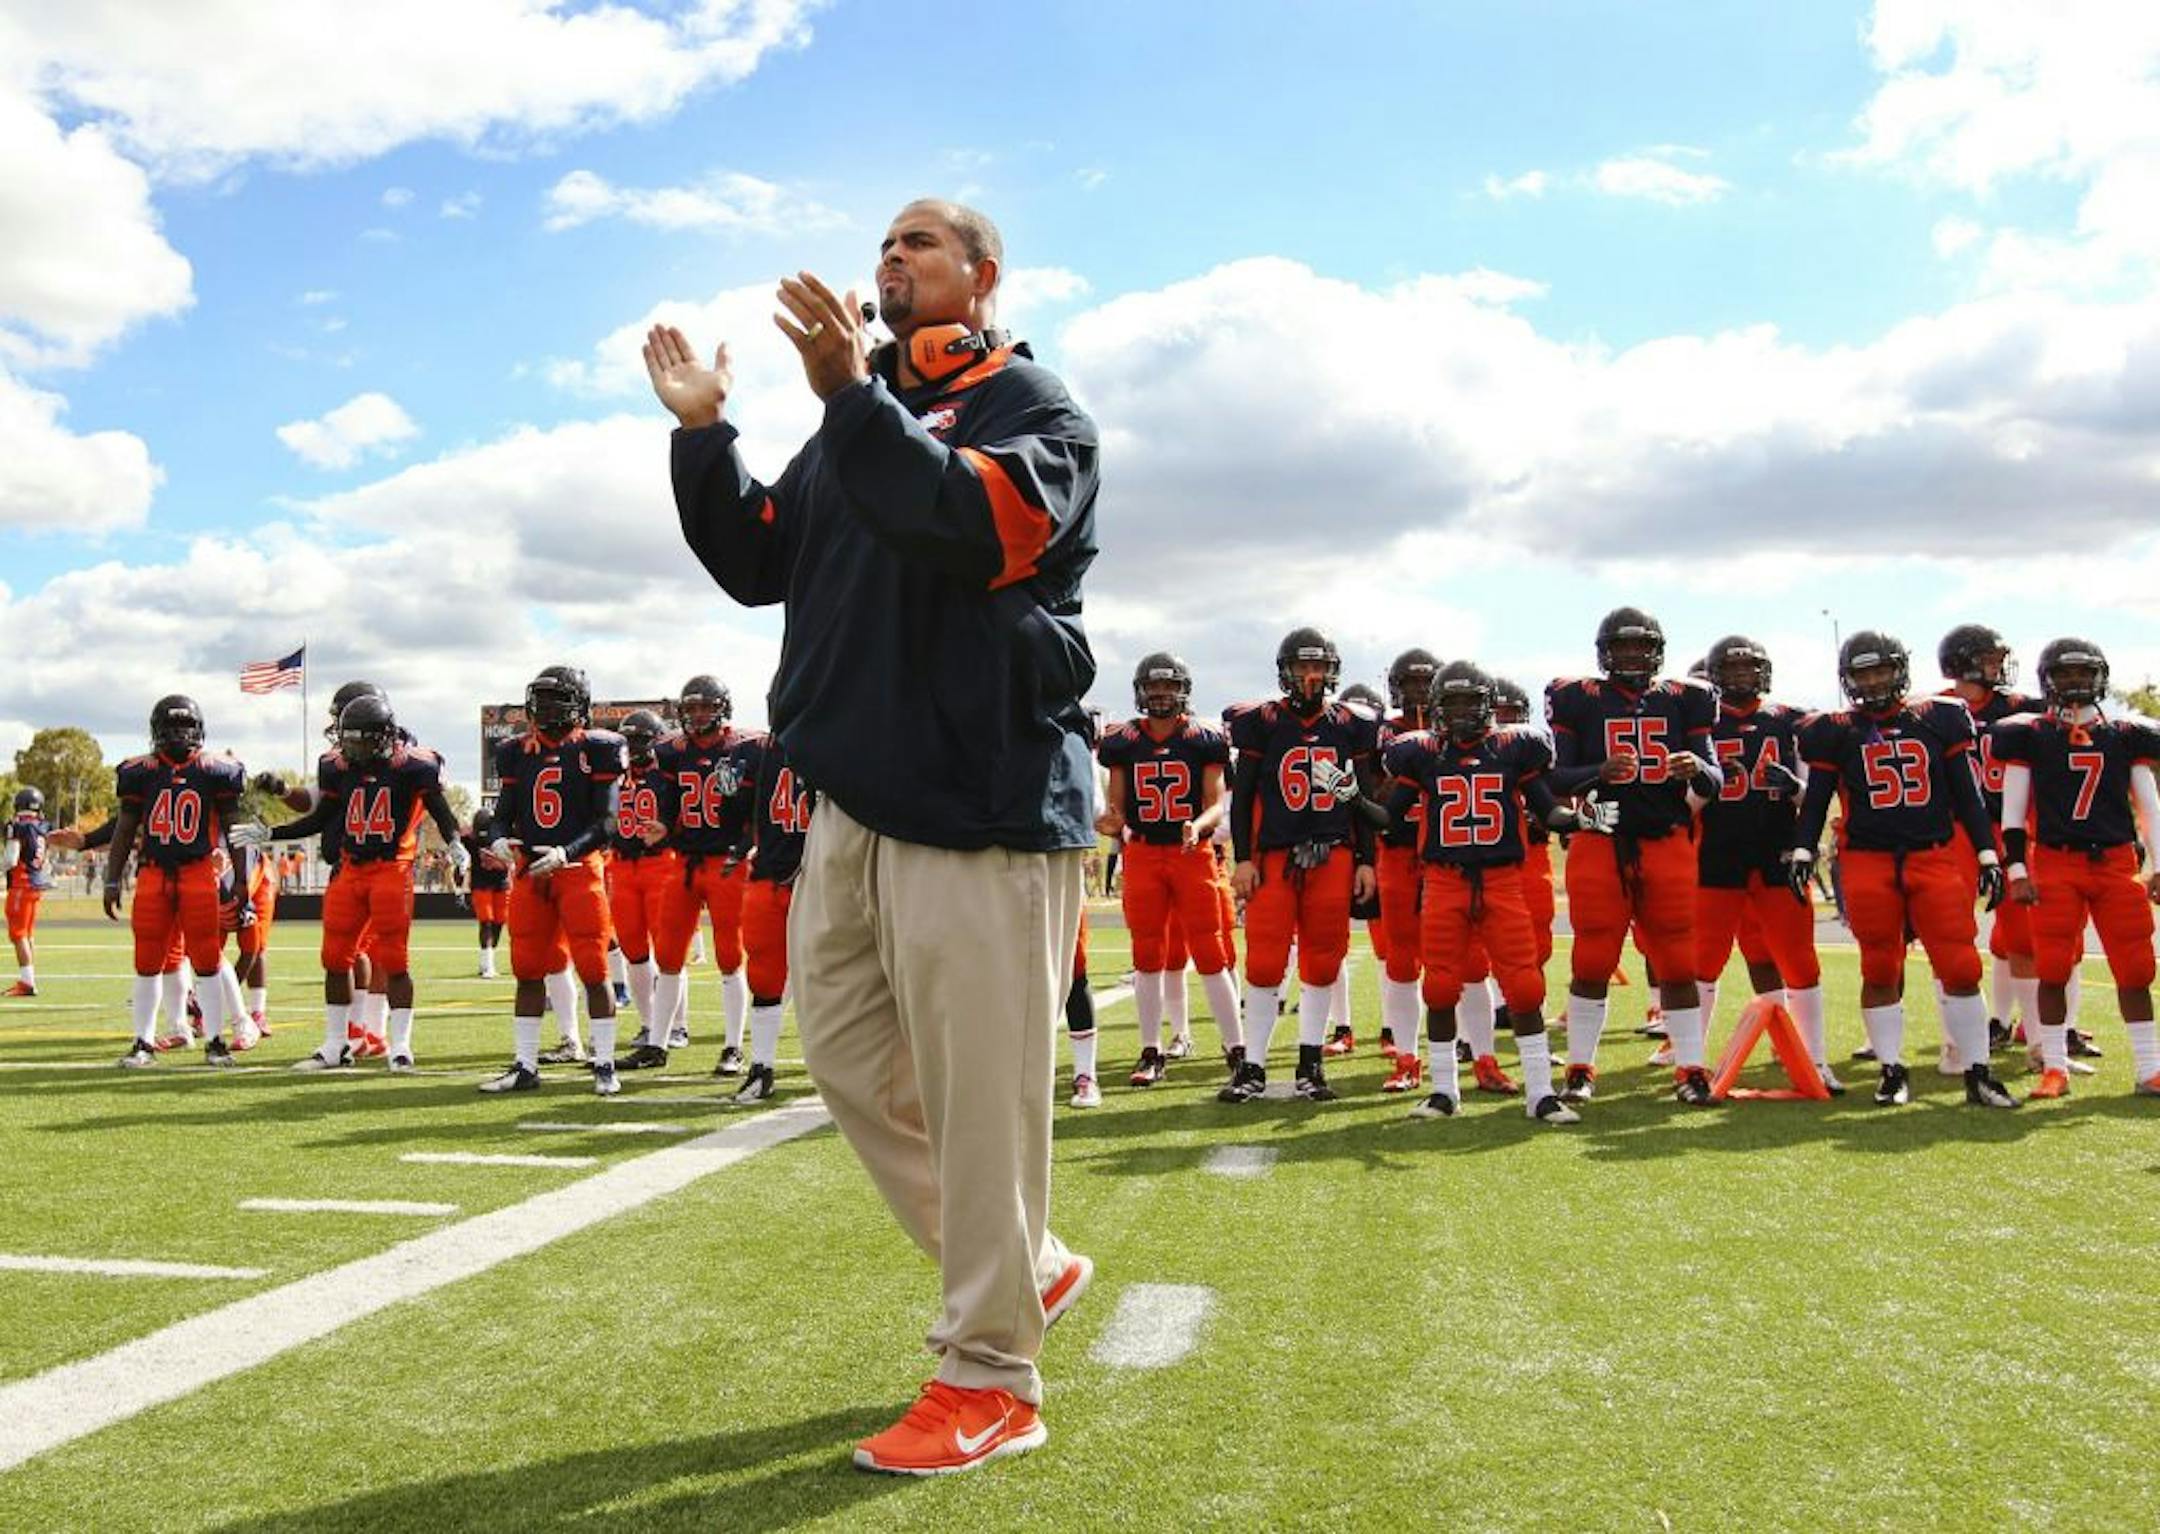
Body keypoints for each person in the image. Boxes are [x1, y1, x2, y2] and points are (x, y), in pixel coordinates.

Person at [649, 197, 1099, 1475]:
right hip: (849, 789)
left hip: (981, 796)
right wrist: (706, 434)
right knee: (847, 1062)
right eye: (885, 245)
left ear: (983, 275)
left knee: (983, 1103)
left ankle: (993, 1378)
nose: (891, 258)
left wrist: (853, 396)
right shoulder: (857, 418)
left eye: (920, 242)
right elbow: (760, 559)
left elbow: (970, 526)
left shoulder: (1035, 408)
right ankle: (1033, 1266)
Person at [1790, 632, 2018, 1108]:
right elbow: (1816, 800)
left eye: (1881, 671)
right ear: (1848, 680)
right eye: (1863, 674)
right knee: (1879, 965)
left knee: (1959, 963)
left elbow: (1968, 796)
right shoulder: (1835, 729)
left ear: (1900, 671)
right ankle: (1892, 1070)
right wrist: (1803, 850)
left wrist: (1987, 852)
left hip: (1931, 856)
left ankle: (1979, 1071)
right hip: (1868, 860)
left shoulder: (1940, 718)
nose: (1873, 682)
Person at [1385, 662, 1578, 1124]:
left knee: (1525, 986)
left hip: (1501, 878)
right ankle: (1444, 1091)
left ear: (1488, 704)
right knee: (1440, 986)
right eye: (1451, 702)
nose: (1461, 712)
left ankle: (1540, 1093)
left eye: (1470, 701)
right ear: (1436, 707)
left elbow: (1547, 810)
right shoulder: (1422, 753)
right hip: (1445, 879)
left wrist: (1581, 821)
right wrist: (1350, 797)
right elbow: (1390, 817)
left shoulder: (1515, 748)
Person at [1545, 608, 1722, 1104]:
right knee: (1593, 957)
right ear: (1604, 653)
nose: (1631, 656)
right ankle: (1580, 1068)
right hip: (1599, 840)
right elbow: (1555, 779)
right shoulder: (1577, 699)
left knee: (1679, 960)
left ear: (1656, 651)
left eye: (1640, 647)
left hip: (1666, 840)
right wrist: (1598, 771)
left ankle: (1690, 1067)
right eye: (1621, 648)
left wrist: (1697, 769)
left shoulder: (1687, 699)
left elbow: (1716, 778)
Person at [240, 694, 465, 1073]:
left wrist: (456, 842)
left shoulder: (414, 766)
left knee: (394, 960)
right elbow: (319, 817)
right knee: (334, 957)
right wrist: (271, 833)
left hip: (391, 869)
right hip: (350, 869)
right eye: (348, 739)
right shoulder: (338, 766)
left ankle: (401, 1045)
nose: (350, 747)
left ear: (383, 737)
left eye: (360, 740)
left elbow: (440, 811)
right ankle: (335, 1044)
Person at [1221, 627, 1384, 1104]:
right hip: (1276, 855)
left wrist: (1366, 859)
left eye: (1319, 667)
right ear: (1286, 671)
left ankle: (1310, 1063)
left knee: (1322, 959)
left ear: (1332, 672)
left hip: (1331, 854)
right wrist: (1244, 859)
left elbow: (1363, 798)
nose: (1311, 676)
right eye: (1302, 667)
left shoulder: (1352, 724)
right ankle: (1252, 1064)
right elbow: (1244, 794)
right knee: (1267, 960)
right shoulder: (1262, 722)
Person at [1991, 639, 2160, 1098]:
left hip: (2115, 861)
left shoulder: (2125, 734)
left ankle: (2149, 1067)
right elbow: (2012, 813)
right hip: (2055, 860)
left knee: (2135, 967)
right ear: (2048, 679)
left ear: (2099, 675)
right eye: (2066, 674)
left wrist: (2158, 862)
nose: (2075, 682)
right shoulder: (2030, 734)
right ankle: (2055, 1067)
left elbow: (2149, 807)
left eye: (2083, 673)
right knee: (2052, 967)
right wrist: (2018, 870)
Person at [1690, 636, 1837, 1090]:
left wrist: (1794, 787)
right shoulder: (1699, 726)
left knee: (1799, 959)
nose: (1741, 677)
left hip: (1778, 852)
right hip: (1716, 853)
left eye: (1749, 668)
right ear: (1714, 675)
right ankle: (1691, 1063)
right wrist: (1704, 787)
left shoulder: (1792, 721)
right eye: (1731, 670)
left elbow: (1817, 799)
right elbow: (1679, 806)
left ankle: (1813, 1058)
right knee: (1703, 959)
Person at [1095, 653, 1241, 1089]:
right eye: (1154, 688)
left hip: (1189, 854)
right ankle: (1151, 1050)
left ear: (1183, 691)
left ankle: (1237, 1048)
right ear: (1141, 692)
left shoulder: (1204, 738)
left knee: (1211, 951)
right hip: (1142, 854)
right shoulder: (1123, 741)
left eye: (1169, 687)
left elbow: (1215, 802)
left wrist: (1197, 826)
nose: (1161, 696)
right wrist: (1109, 822)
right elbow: (1118, 808)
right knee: (1147, 953)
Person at [481, 666, 626, 1097]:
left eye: (553, 700)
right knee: (527, 969)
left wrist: (568, 852)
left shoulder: (599, 748)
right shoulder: (514, 752)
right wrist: (498, 839)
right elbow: (502, 813)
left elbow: (609, 821)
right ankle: (525, 1065)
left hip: (579, 871)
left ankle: (604, 1063)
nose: (543, 709)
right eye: (539, 699)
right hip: (529, 873)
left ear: (578, 704)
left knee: (594, 969)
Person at [616, 674, 752, 1074]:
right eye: (690, 708)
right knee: (669, 954)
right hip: (684, 861)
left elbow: (752, 809)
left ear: (723, 707)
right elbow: (668, 801)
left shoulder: (747, 748)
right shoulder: (671, 751)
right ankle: (657, 1043)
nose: (697, 715)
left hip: (726, 863)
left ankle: (732, 1047)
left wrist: (747, 845)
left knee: (730, 956)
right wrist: (663, 824)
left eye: (705, 706)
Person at [109, 696, 248, 1068]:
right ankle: (143, 1041)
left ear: (199, 730)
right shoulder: (139, 771)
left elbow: (235, 830)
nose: (178, 736)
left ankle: (216, 1040)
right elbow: (124, 829)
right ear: (156, 732)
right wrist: (111, 879)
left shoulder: (218, 769)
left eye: (185, 728)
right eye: (171, 729)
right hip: (153, 872)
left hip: (198, 871)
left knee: (207, 958)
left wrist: (242, 883)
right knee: (147, 961)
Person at [607, 709, 676, 1048]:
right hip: (622, 866)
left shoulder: (668, 774)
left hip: (660, 863)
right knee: (633, 949)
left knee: (668, 951)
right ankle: (649, 1024)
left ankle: (676, 1025)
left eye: (639, 739)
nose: (632, 746)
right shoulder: (613, 775)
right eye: (628, 739)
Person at [5, 786, 53, 996]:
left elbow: (11, 858)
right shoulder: (43, 826)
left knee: (18, 934)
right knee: (28, 933)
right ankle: (29, 977)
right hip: (36, 884)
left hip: (21, 884)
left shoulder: (18, 826)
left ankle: (27, 982)